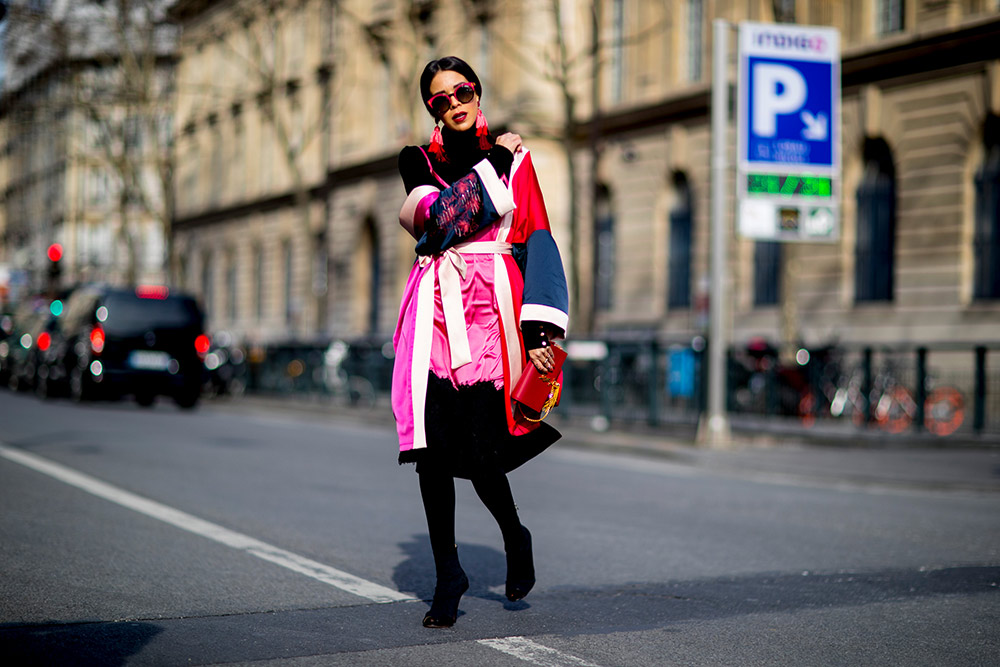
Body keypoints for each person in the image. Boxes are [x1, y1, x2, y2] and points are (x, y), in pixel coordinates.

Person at [392, 56, 569, 628]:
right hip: (436, 315)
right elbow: (442, 222)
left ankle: (515, 536)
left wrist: (541, 331)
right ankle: (449, 574)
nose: (454, 103)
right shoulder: (416, 160)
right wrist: (494, 160)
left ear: (477, 91)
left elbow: (536, 235)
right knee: (432, 452)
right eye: (440, 99)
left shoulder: (521, 160)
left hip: (493, 315)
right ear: (432, 110)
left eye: (462, 91)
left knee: (481, 448)